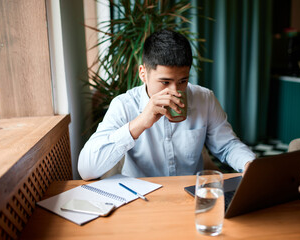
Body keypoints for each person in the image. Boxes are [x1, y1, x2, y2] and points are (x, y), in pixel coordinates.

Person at [78, 29, 255, 180]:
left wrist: (249, 164)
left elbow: (228, 145)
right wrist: (140, 123)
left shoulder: (204, 98)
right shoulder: (124, 105)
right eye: (165, 82)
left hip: (190, 195)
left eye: (183, 81)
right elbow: (87, 169)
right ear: (143, 73)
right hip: (141, 199)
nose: (175, 91)